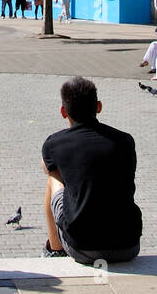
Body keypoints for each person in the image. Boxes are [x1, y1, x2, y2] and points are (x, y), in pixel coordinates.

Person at [41, 77, 141, 265]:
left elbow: (47, 167)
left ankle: (55, 250)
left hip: (83, 248)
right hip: (128, 245)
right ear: (99, 106)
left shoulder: (54, 143)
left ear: (63, 112)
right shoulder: (125, 140)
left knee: (53, 176)